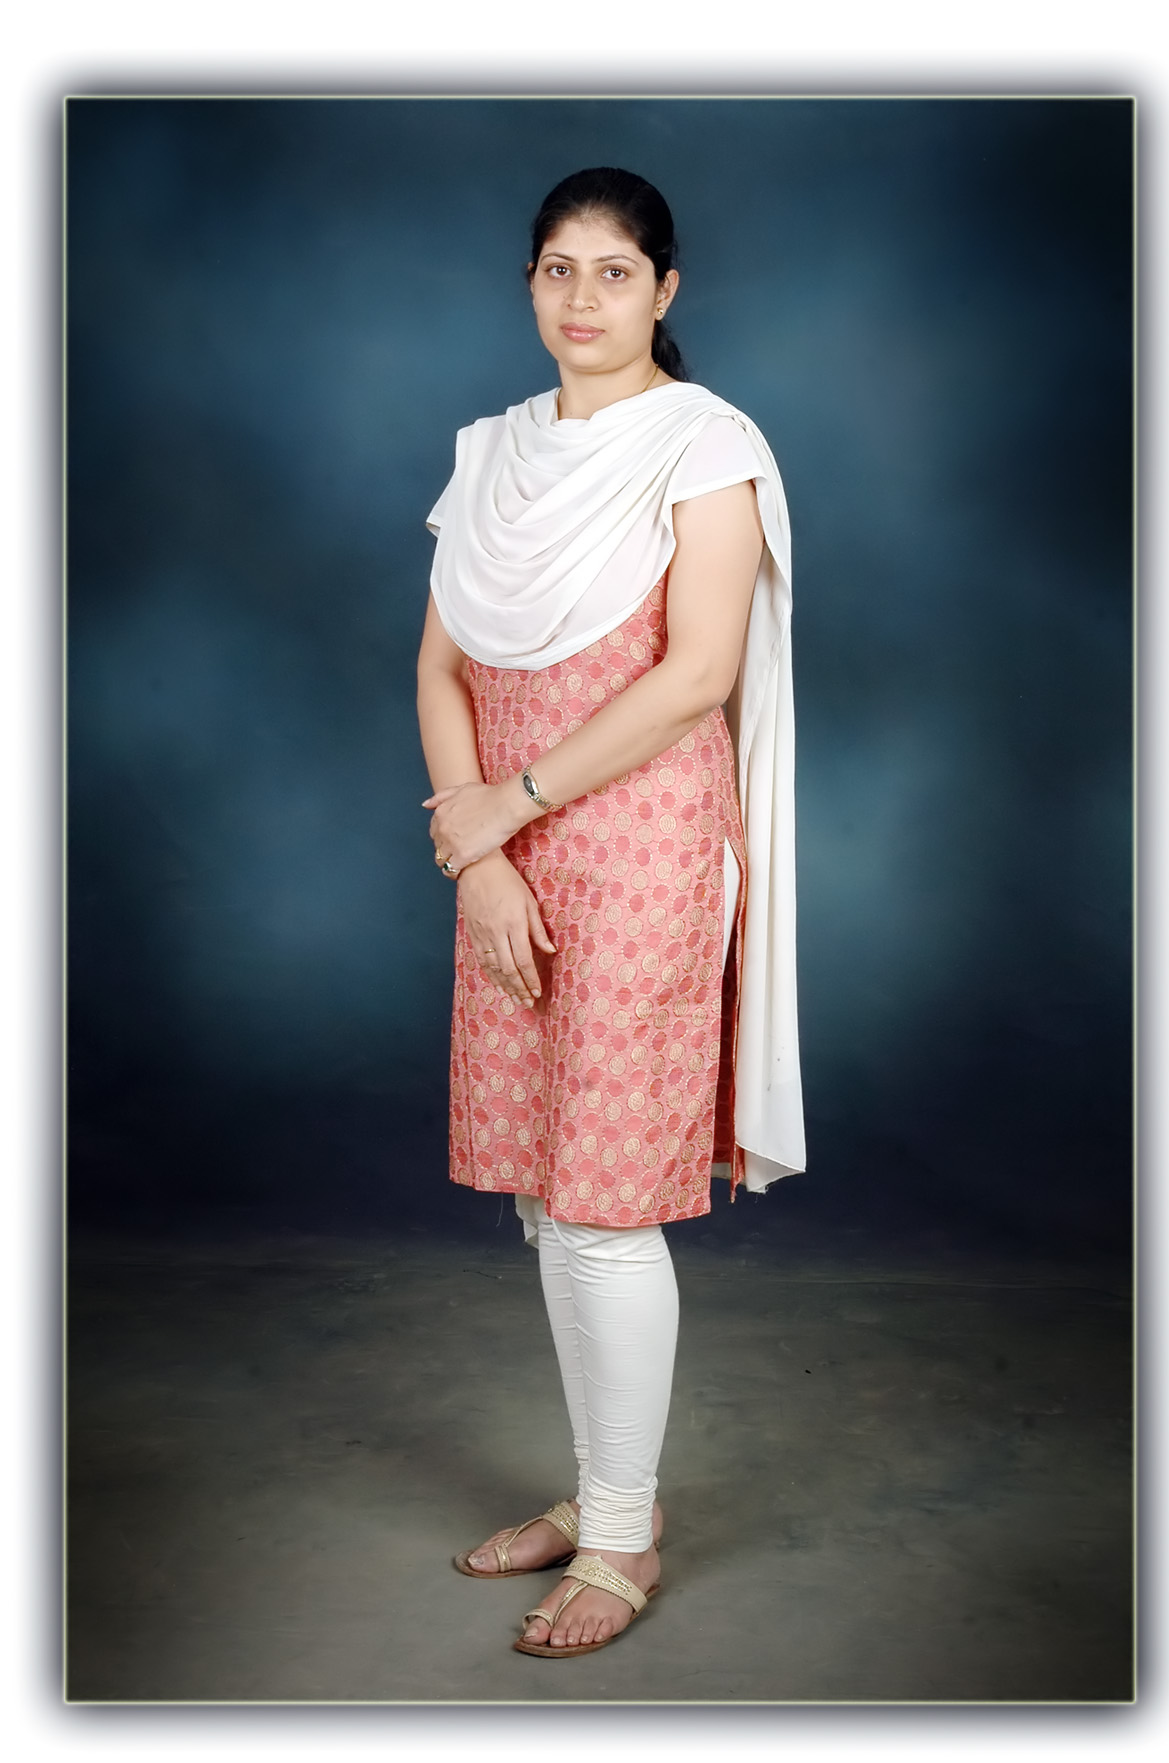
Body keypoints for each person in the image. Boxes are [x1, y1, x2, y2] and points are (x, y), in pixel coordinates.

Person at [416, 167, 805, 1658]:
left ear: (666, 289)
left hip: (641, 841)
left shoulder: (705, 446)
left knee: (601, 1204)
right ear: (529, 283)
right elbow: (441, 668)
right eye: (558, 269)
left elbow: (696, 674)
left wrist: (507, 806)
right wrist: (483, 853)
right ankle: (598, 1491)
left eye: (615, 271)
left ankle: (625, 1537)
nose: (584, 298)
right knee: (545, 1198)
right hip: (509, 849)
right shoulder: (493, 452)